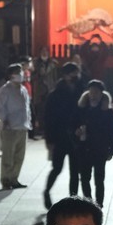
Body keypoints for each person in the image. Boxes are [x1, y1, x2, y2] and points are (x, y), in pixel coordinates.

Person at [42, 61, 83, 208]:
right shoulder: (55, 94)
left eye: (77, 73)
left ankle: (73, 199)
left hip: (75, 137)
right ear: (65, 75)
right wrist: (49, 139)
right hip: (60, 137)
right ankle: (47, 191)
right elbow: (48, 118)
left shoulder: (80, 92)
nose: (76, 76)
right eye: (73, 73)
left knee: (75, 171)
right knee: (57, 168)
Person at [74, 78, 113, 206]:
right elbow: (72, 125)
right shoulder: (81, 109)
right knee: (84, 178)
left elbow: (112, 132)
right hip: (84, 148)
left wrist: (112, 150)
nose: (93, 95)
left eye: (96, 92)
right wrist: (76, 132)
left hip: (100, 149)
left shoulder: (107, 112)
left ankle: (99, 204)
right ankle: (88, 202)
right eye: (91, 91)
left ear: (101, 94)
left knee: (99, 179)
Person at [0, 63, 31, 190]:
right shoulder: (5, 90)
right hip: (10, 128)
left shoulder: (23, 89)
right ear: (11, 75)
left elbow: (27, 108)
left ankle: (14, 178)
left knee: (19, 156)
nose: (21, 74)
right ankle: (6, 180)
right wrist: (4, 118)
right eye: (18, 72)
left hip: (22, 127)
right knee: (8, 156)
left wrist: (28, 121)